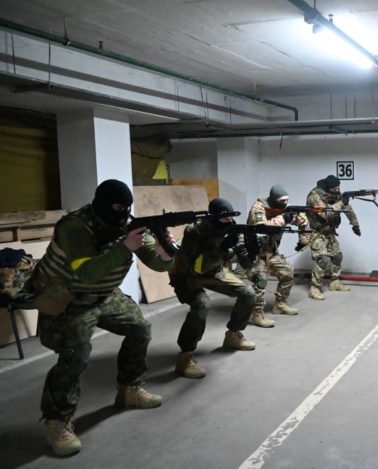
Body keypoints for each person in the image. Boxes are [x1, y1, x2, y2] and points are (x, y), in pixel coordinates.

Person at [24, 179, 174, 457]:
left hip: (102, 294)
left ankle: (129, 389)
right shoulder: (75, 227)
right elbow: (85, 274)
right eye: (118, 207)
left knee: (140, 328)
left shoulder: (126, 224)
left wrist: (166, 252)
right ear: (103, 204)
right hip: (68, 297)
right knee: (76, 353)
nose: (123, 213)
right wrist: (125, 246)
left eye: (127, 208)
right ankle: (57, 421)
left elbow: (157, 262)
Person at [168, 198, 257, 379]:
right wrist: (223, 247)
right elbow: (197, 267)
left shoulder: (231, 228)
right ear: (214, 217)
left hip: (214, 272)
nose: (230, 222)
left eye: (232, 218)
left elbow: (243, 258)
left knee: (248, 292)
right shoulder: (195, 231)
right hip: (187, 275)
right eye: (226, 218)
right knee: (201, 304)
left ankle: (233, 335)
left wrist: (252, 255)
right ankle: (185, 357)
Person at [243, 184, 311, 326]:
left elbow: (303, 221)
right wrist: (283, 219)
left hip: (271, 251)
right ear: (273, 199)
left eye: (287, 200)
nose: (285, 203)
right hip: (255, 252)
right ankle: (257, 315)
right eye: (282, 200)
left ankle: (280, 304)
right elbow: (261, 226)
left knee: (288, 272)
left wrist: (303, 241)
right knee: (260, 280)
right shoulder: (258, 208)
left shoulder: (284, 209)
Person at [305, 175, 360, 300]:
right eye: (335, 188)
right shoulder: (314, 196)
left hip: (329, 232)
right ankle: (314, 288)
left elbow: (347, 208)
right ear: (328, 188)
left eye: (338, 187)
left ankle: (334, 282)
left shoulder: (334, 194)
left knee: (337, 256)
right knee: (323, 259)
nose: (338, 190)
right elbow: (326, 214)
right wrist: (341, 202)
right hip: (316, 233)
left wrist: (355, 224)